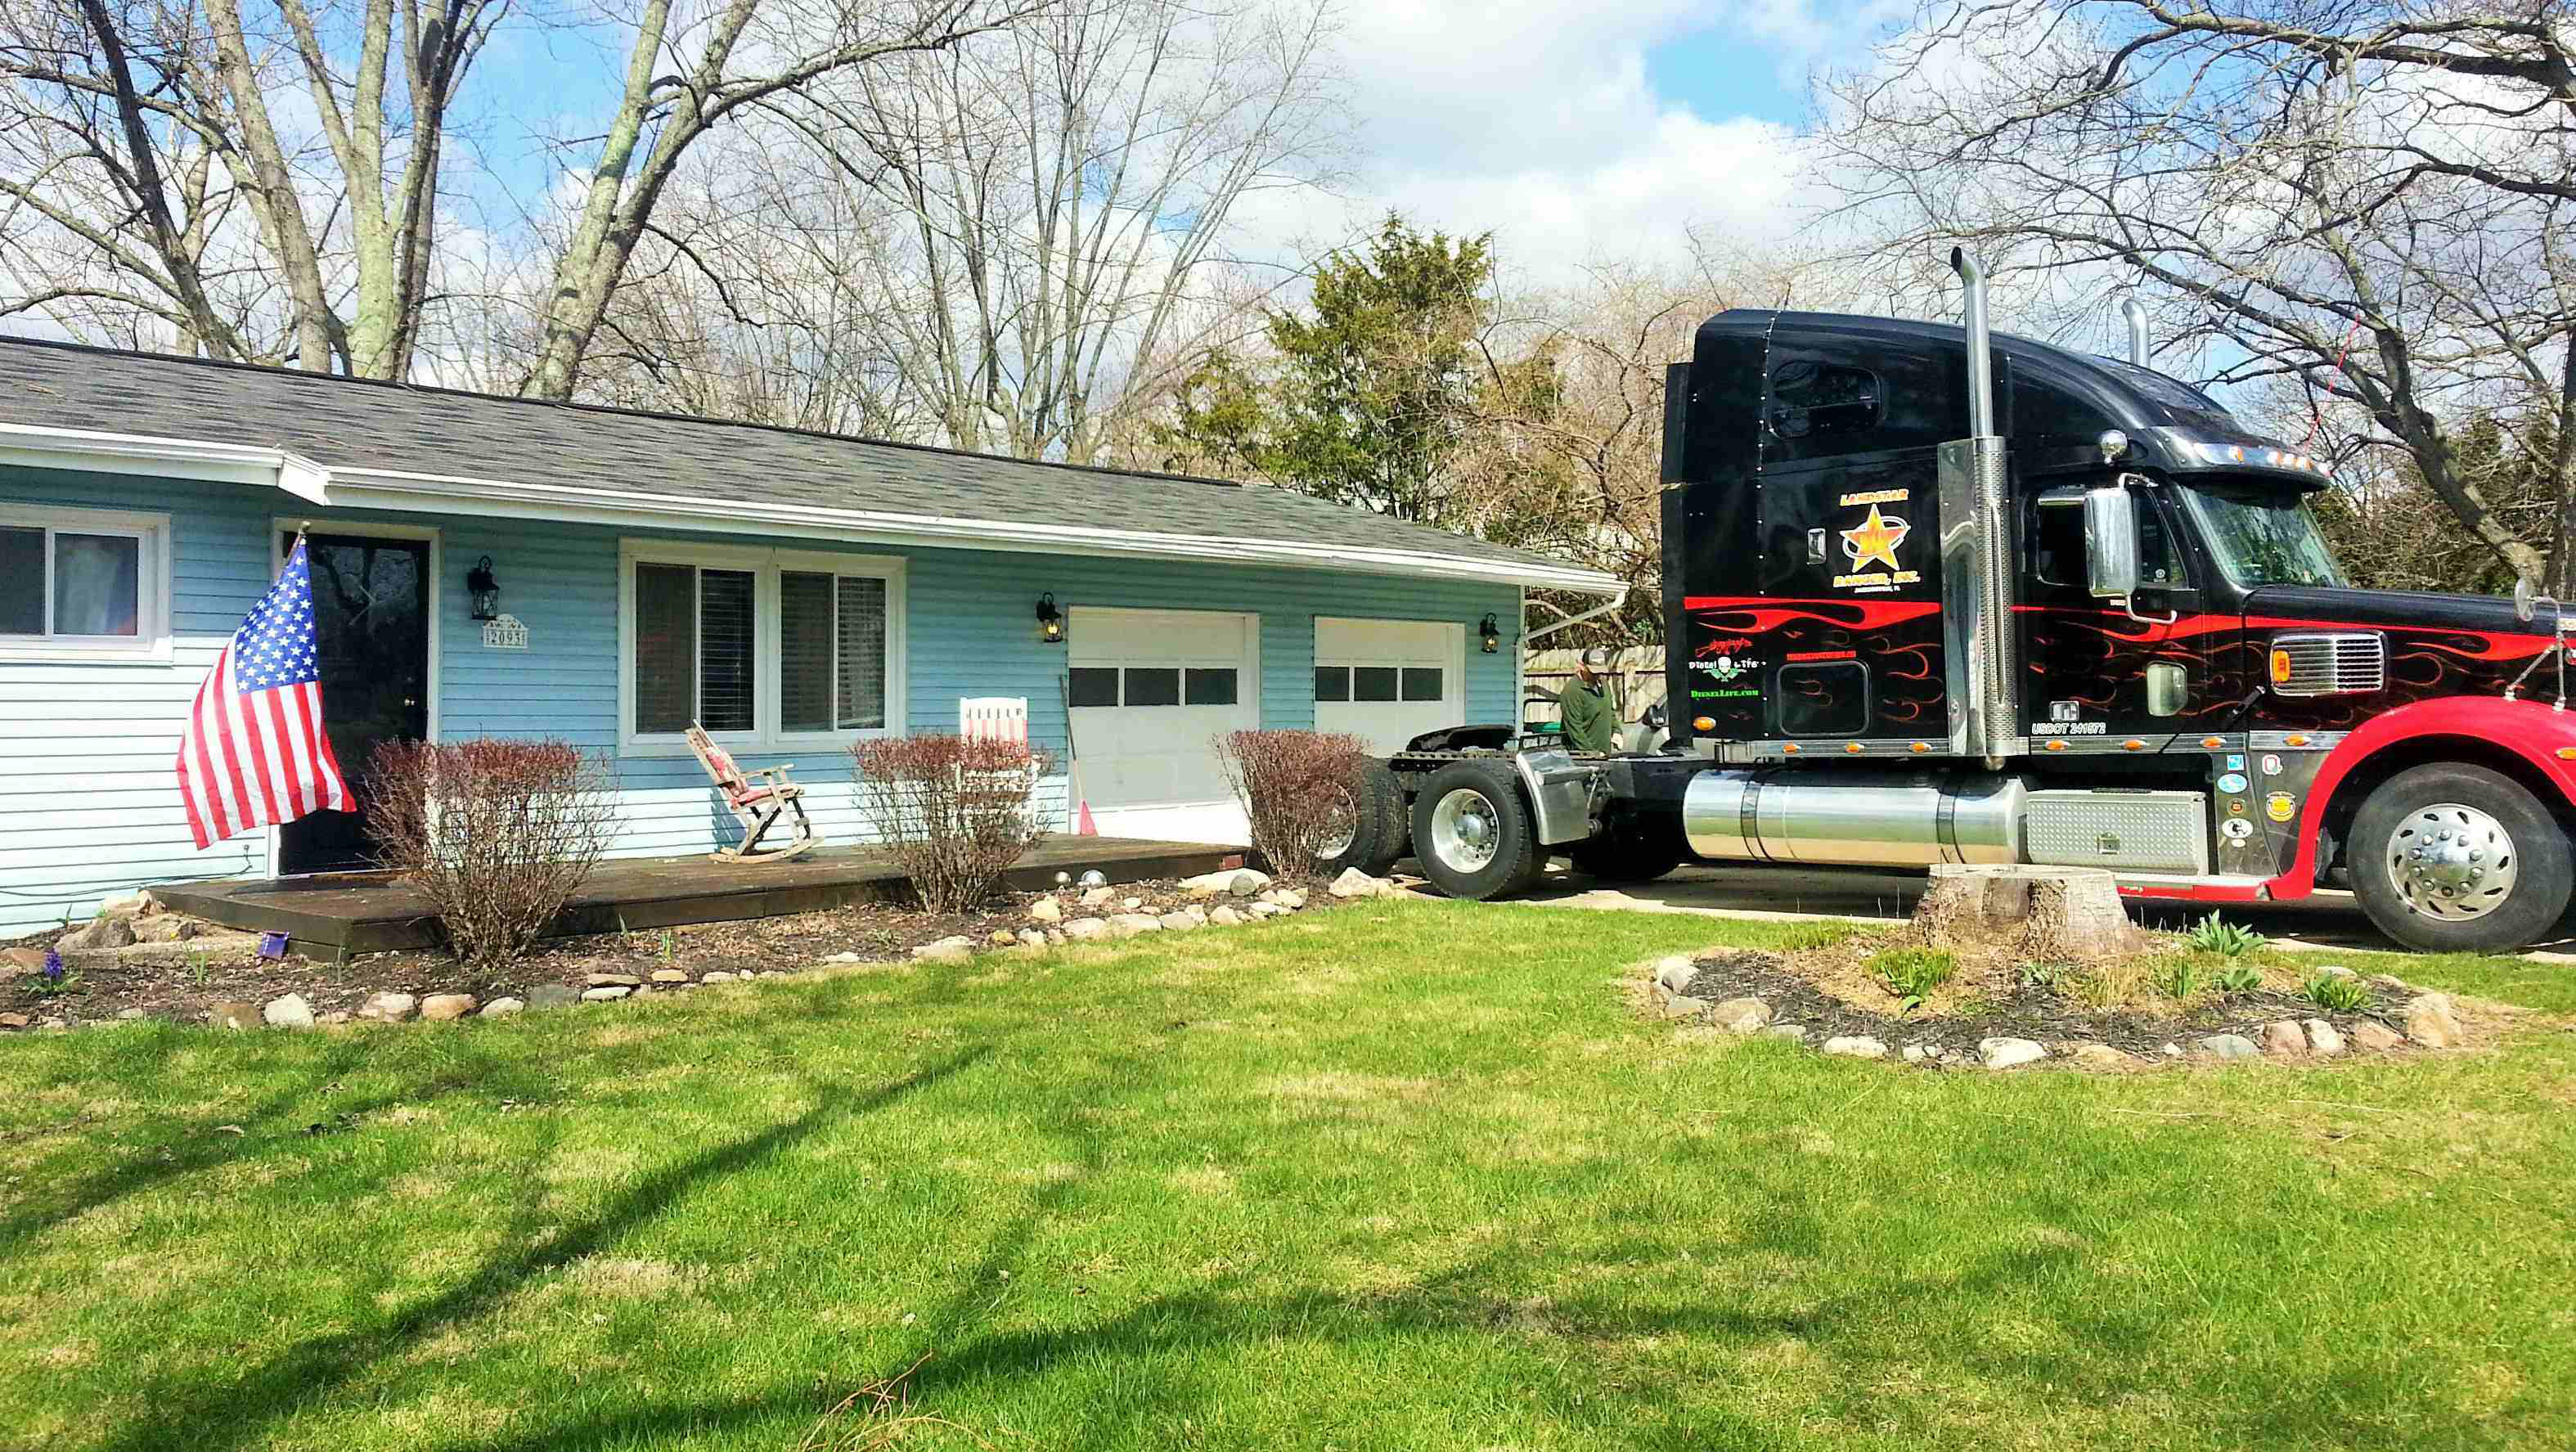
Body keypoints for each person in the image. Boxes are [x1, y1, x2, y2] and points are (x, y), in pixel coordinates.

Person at [1557, 647, 1620, 753]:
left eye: (1600, 671)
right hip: (1583, 758)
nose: (1597, 675)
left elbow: (1610, 711)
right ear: (1582, 666)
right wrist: (1591, 753)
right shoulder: (1572, 691)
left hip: (1605, 755)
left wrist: (1616, 731)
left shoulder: (1603, 684)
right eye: (1593, 672)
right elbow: (1575, 730)